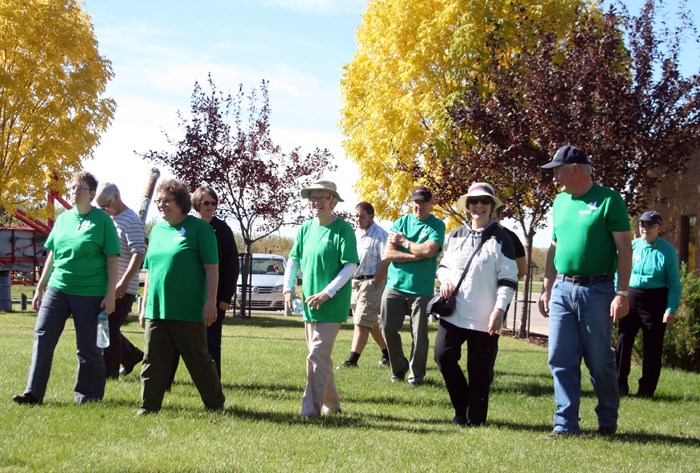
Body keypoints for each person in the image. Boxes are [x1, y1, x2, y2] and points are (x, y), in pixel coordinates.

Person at [538, 145, 632, 437]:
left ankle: (607, 420)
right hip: (564, 289)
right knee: (559, 357)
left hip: (598, 290)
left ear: (575, 168)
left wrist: (622, 292)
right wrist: (547, 286)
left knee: (600, 360)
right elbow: (555, 246)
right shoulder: (559, 202)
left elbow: (625, 248)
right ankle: (565, 424)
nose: (554, 177)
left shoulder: (608, 200)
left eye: (557, 170)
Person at [13, 172, 120, 405]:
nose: (74, 191)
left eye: (80, 188)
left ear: (92, 193)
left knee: (88, 347)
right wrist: (41, 286)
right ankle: (33, 394)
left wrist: (110, 294)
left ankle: (88, 396)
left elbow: (112, 258)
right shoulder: (63, 219)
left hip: (90, 292)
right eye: (72, 187)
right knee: (43, 336)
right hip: (58, 288)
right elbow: (53, 254)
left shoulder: (102, 221)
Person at [138, 179, 225, 415]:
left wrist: (210, 302)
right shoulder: (156, 231)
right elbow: (151, 270)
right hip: (157, 308)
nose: (161, 205)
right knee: (152, 360)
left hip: (188, 308)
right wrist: (144, 305)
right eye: (158, 201)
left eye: (166, 200)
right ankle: (149, 406)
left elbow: (212, 268)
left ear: (180, 202)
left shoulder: (199, 229)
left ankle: (215, 404)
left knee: (198, 360)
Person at [435, 182, 518, 426]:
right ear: (468, 206)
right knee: (443, 356)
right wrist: (446, 280)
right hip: (454, 313)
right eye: (474, 201)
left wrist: (499, 310)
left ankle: (475, 418)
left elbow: (508, 278)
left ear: (492, 207)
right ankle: (462, 408)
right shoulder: (456, 235)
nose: (478, 206)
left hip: (485, 317)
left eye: (484, 202)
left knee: (479, 370)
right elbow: (444, 266)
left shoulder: (503, 238)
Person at [283, 180, 358, 417]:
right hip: (309, 304)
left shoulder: (343, 230)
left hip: (332, 304)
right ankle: (333, 405)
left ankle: (309, 411)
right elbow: (294, 259)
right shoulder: (305, 229)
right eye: (313, 198)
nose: (317, 202)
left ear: (333, 202)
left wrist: (328, 292)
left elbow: (350, 266)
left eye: (322, 198)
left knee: (316, 355)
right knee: (321, 358)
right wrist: (288, 288)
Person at [168, 186, 239, 384]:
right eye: (206, 203)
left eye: (213, 203)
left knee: (211, 342)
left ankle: (213, 383)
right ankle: (166, 382)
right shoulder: (187, 225)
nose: (210, 206)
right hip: (188, 295)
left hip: (214, 298)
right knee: (175, 340)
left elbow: (232, 264)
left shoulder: (222, 229)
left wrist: (225, 297)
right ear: (196, 204)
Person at [380, 186, 445, 387]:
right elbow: (389, 254)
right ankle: (398, 367)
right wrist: (416, 255)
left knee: (419, 335)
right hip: (395, 285)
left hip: (421, 289)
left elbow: (429, 249)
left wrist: (405, 242)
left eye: (424, 202)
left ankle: (416, 376)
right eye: (416, 202)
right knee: (387, 328)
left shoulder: (437, 226)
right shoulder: (400, 222)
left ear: (431, 204)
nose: (419, 206)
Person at [615, 211, 682, 398]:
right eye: (642, 224)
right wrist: (618, 296)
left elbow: (675, 284)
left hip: (655, 301)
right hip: (631, 297)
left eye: (649, 225)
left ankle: (646, 390)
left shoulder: (667, 251)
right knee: (623, 340)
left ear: (658, 228)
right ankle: (619, 386)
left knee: (652, 346)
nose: (644, 228)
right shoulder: (632, 246)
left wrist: (671, 308)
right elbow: (618, 272)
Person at [95, 182, 146, 379]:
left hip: (123, 286)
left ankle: (109, 373)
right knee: (104, 327)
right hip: (107, 285)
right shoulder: (111, 219)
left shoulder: (131, 220)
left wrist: (124, 282)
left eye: (106, 205)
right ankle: (131, 356)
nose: (104, 210)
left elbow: (138, 253)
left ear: (116, 196)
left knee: (108, 327)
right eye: (101, 207)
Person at [337, 202, 390, 369]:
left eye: (361, 216)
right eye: (356, 216)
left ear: (371, 216)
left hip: (371, 282)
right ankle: (389, 354)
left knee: (361, 322)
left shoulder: (381, 235)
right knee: (370, 323)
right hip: (355, 282)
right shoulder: (355, 234)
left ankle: (352, 360)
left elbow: (387, 260)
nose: (358, 220)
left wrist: (375, 280)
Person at [491, 206, 527, 328]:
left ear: (500, 216)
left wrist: (504, 285)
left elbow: (522, 269)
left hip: (497, 296)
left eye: (492, 217)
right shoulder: (471, 234)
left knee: (488, 340)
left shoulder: (510, 237)